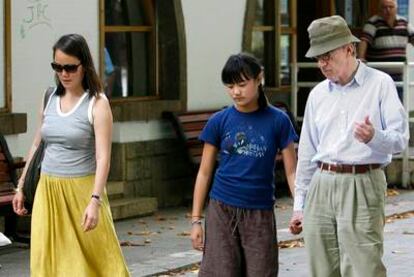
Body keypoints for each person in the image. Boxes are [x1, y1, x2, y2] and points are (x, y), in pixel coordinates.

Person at [289, 15, 409, 277]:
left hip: (362, 181)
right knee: (321, 267)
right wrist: (300, 204)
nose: (322, 63)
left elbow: (401, 139)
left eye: (327, 55)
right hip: (321, 183)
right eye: (317, 57)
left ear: (349, 49)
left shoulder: (380, 84)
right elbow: (307, 152)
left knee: (364, 267)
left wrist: (373, 137)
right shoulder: (317, 94)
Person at [12, 34, 130, 276]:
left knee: (90, 263)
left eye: (70, 68)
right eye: (57, 67)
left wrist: (95, 201)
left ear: (84, 66)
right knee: (48, 260)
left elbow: (103, 158)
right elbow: (37, 143)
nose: (63, 73)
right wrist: (21, 186)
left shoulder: (97, 104)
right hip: (48, 190)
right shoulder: (49, 97)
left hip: (81, 192)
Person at [190, 53, 297, 276]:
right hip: (222, 209)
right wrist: (195, 220)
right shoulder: (219, 121)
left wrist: (300, 209)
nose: (235, 92)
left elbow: (292, 171)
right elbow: (204, 172)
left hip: (260, 212)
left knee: (261, 271)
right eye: (229, 86)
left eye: (241, 84)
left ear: (259, 79)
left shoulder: (279, 120)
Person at [358, 0, 414, 100]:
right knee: (378, 105)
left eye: (390, 7)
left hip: (398, 76)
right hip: (378, 76)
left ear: (396, 9)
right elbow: (364, 41)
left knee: (397, 105)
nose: (387, 10)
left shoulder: (404, 23)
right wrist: (361, 58)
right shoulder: (373, 23)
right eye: (384, 7)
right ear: (379, 9)